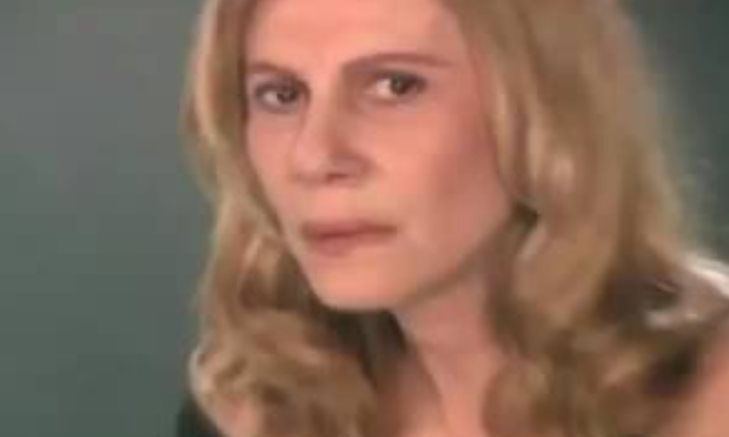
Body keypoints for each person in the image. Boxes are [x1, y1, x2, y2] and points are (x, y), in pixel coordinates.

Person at [177, 0, 729, 436]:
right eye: (281, 95)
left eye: (395, 86)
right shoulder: (255, 407)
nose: (314, 156)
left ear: (543, 111)